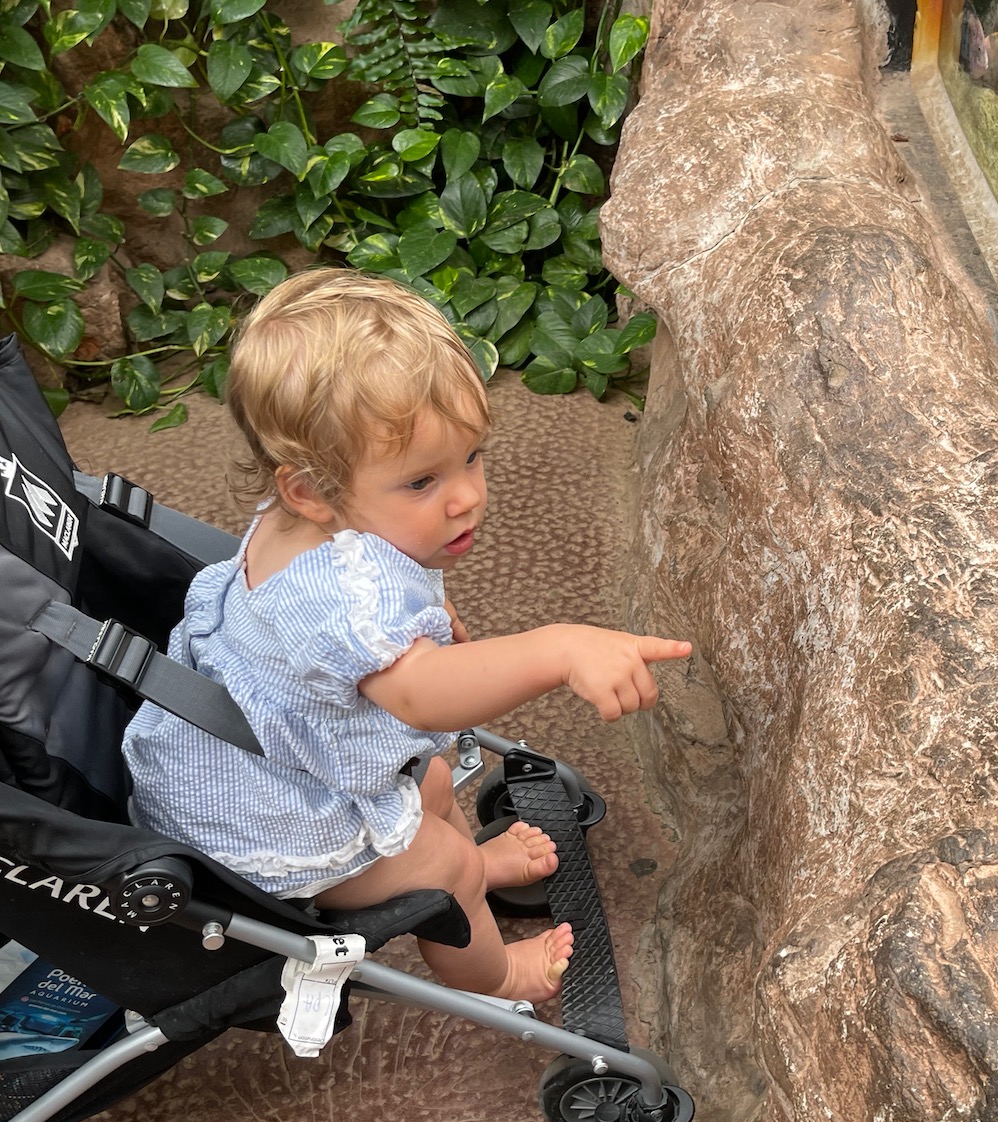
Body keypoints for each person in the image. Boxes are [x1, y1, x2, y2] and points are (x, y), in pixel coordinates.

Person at [121, 268, 692, 1004]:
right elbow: (424, 696)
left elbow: (361, 639)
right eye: (422, 481)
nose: (467, 496)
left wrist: (416, 621)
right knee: (440, 869)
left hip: (244, 754)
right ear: (311, 489)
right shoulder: (347, 594)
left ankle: (476, 863)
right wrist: (558, 648)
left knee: (429, 783)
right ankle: (497, 969)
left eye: (472, 456)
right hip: (267, 822)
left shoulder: (302, 515)